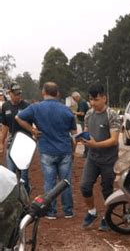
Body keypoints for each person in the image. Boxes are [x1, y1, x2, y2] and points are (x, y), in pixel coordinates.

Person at [16, 82, 77, 219]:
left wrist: (32, 130)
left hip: (47, 150)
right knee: (65, 181)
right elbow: (74, 133)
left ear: (43, 92)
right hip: (64, 150)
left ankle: (51, 211)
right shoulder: (66, 110)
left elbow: (18, 118)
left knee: (49, 182)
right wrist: (73, 150)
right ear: (58, 93)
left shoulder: (36, 108)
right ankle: (68, 211)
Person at [79, 83, 120, 231]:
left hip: (109, 160)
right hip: (93, 158)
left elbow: (114, 140)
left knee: (107, 189)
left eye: (96, 99)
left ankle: (107, 217)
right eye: (91, 100)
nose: (93, 103)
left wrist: (95, 144)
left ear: (104, 98)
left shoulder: (112, 115)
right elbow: (87, 131)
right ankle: (92, 212)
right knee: (84, 186)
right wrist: (83, 138)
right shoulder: (89, 114)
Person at [0, 84, 30, 193]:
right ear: (10, 93)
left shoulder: (26, 105)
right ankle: (15, 198)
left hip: (24, 142)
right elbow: (5, 126)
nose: (18, 96)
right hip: (11, 142)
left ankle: (26, 195)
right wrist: (1, 143)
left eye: (19, 94)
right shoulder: (5, 106)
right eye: (16, 94)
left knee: (24, 174)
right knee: (11, 173)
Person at [72, 91, 89, 157]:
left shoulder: (82, 102)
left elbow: (82, 113)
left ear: (77, 97)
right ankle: (86, 152)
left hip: (83, 122)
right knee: (84, 137)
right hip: (83, 121)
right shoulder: (81, 102)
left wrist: (74, 112)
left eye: (74, 98)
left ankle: (86, 153)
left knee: (84, 137)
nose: (74, 100)